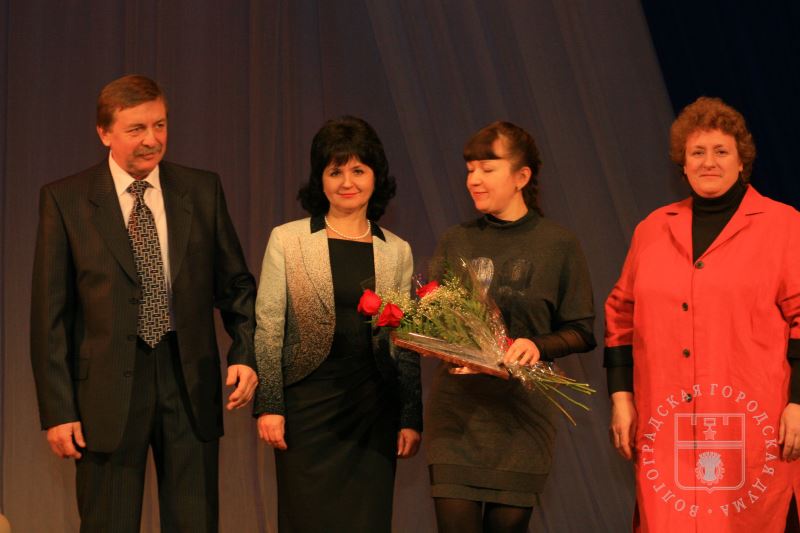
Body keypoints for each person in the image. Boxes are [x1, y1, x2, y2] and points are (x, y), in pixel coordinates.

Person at [30, 75, 257, 532]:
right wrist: (59, 411)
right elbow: (49, 316)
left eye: (160, 125)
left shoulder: (201, 189)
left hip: (187, 383)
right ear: (104, 133)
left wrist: (245, 354)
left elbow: (236, 285)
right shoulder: (66, 199)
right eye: (136, 129)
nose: (152, 139)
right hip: (105, 394)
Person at [605, 96, 800, 532]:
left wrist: (799, 403)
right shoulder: (652, 229)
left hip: (755, 426)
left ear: (741, 161)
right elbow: (620, 316)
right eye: (697, 152)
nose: (708, 162)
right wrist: (621, 398)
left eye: (720, 151)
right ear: (683, 163)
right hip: (666, 426)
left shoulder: (784, 224)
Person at [425, 121, 596, 533]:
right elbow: (433, 322)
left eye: (487, 168)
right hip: (457, 420)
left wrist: (537, 346)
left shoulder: (558, 244)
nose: (474, 179)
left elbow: (581, 329)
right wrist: (443, 342)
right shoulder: (455, 240)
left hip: (522, 422)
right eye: (470, 169)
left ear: (521, 177)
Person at [253, 116, 422, 532]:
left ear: (376, 177)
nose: (348, 182)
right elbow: (269, 328)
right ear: (321, 179)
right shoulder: (287, 240)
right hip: (306, 410)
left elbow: (405, 342)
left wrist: (410, 416)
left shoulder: (397, 251)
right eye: (335, 171)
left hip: (373, 411)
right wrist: (270, 405)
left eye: (358, 170)